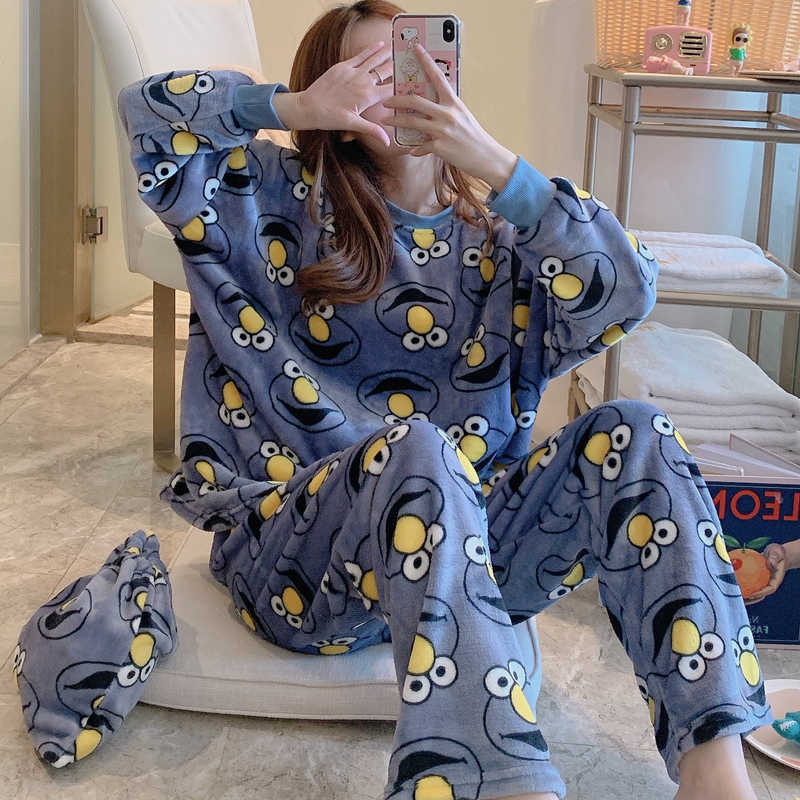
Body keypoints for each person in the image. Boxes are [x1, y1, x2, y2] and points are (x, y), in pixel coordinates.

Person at [116, 2, 772, 798]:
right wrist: (289, 108)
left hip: (463, 560)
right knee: (418, 447)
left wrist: (495, 163)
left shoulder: (499, 237)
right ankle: (501, 784)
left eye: (416, 70)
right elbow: (146, 116)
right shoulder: (265, 199)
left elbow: (627, 291)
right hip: (298, 564)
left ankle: (715, 774)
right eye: (370, 75)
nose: (399, 93)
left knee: (639, 433)